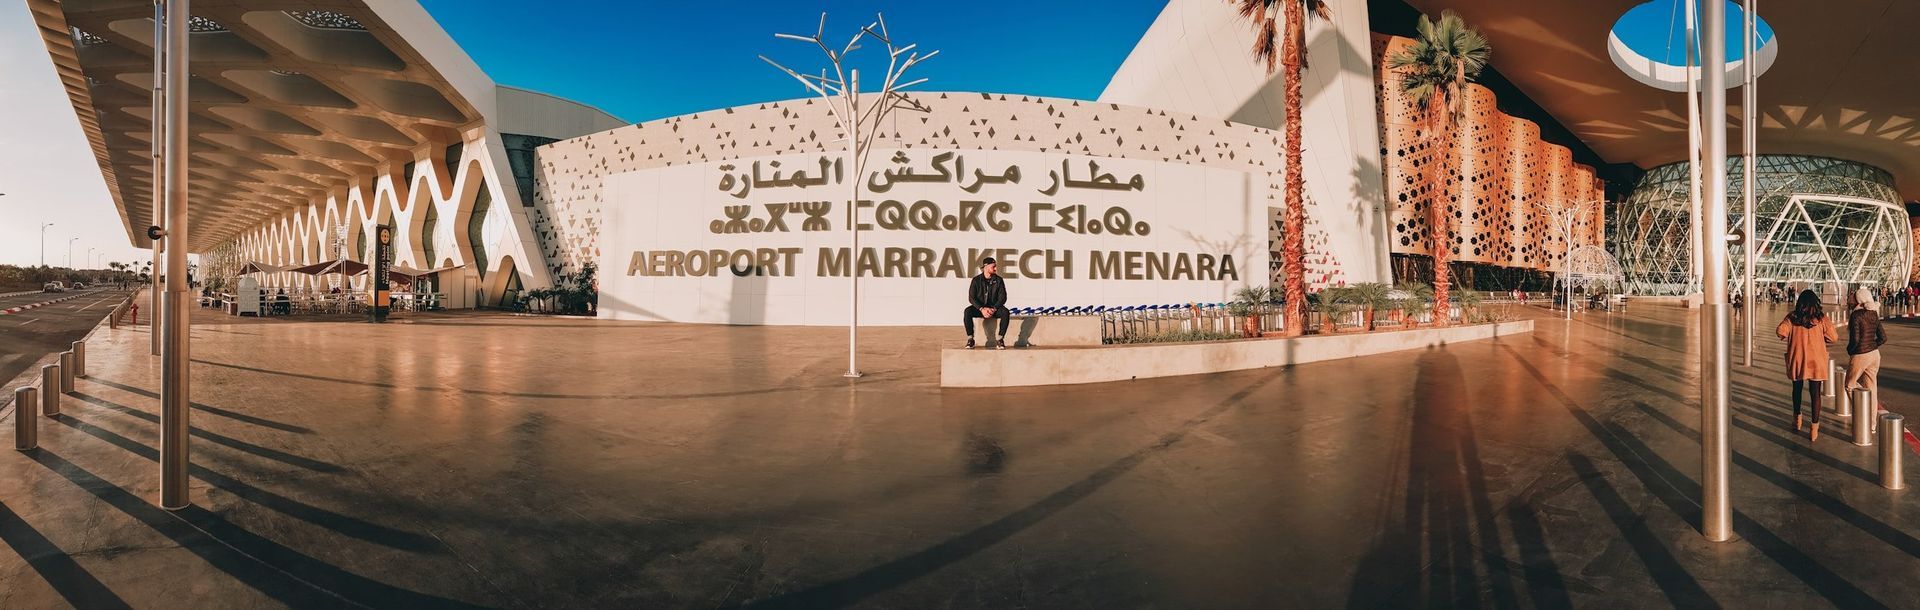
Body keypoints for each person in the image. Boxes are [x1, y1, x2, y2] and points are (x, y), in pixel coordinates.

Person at [1777, 289, 1838, 441]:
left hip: (1798, 360)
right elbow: (1833, 337)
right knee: (1815, 393)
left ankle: (1797, 420)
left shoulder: (1792, 317)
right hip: (1816, 361)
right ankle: (1814, 429)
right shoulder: (1821, 318)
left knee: (1796, 390)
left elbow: (1780, 332)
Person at [1845, 286, 1887, 420]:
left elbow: (1855, 340)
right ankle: (1872, 424)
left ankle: (1862, 416)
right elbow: (1883, 338)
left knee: (1850, 385)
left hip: (1860, 355)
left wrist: (1850, 350)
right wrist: (1872, 345)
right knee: (1872, 388)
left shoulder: (1856, 315)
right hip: (1875, 354)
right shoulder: (1873, 313)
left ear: (1859, 301)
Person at [963, 256, 1010, 349]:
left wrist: (994, 308)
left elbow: (1003, 298)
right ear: (986, 267)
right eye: (993, 266)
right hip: (980, 309)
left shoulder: (999, 280)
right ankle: (970, 339)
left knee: (1005, 312)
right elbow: (971, 298)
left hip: (994, 309)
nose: (995, 269)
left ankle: (1000, 339)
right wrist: (981, 309)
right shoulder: (976, 280)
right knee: (968, 311)